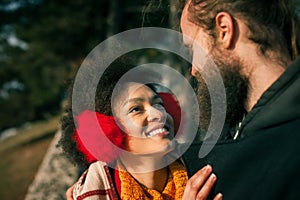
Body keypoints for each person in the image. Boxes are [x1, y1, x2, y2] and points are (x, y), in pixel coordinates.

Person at [179, 0, 300, 199]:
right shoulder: (239, 131)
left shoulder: (289, 149)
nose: (193, 70)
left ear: (224, 30)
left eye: (193, 49)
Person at [60, 57, 223, 200]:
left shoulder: (208, 169)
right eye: (135, 109)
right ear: (106, 131)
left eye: (158, 104)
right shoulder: (94, 191)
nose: (158, 114)